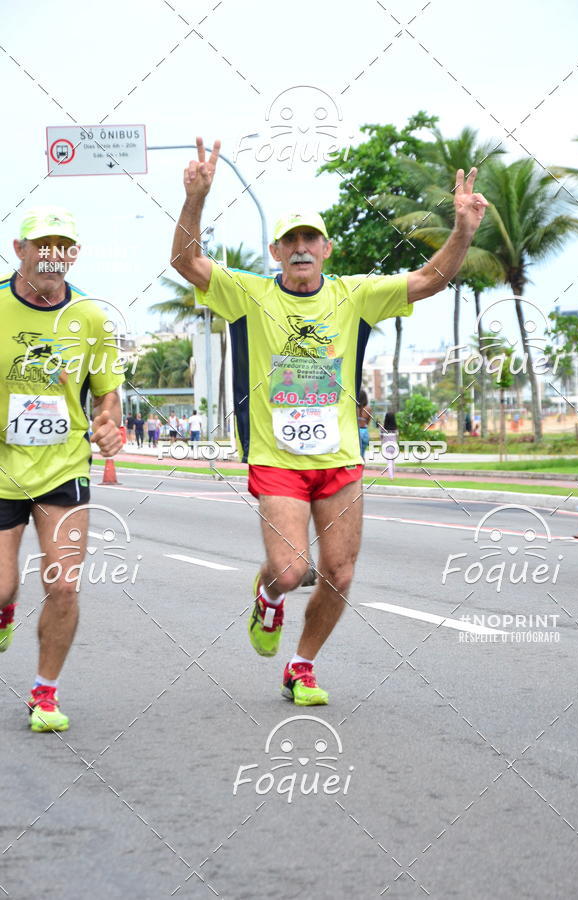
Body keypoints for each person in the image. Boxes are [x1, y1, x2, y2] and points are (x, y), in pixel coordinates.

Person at [172, 137, 488, 706]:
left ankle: (301, 665)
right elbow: (185, 263)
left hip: (340, 458)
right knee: (291, 571)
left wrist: (463, 230)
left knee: (339, 574)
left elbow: (429, 279)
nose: (300, 248)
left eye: (310, 239)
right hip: (277, 459)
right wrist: (196, 198)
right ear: (275, 251)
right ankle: (269, 596)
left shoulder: (354, 295)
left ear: (326, 249)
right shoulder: (247, 294)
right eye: (290, 240)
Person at [0, 206, 123, 732]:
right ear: (19, 250)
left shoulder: (92, 318)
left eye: (63, 247)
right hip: (2, 469)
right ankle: (4, 608)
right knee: (2, 587)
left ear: (73, 255)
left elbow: (108, 396)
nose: (53, 255)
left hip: (64, 467)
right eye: (43, 245)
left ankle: (44, 694)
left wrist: (109, 424)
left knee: (65, 585)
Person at [380, 411, 398, 479]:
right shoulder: (395, 429)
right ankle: (393, 475)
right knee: (393, 462)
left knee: (389, 462)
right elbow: (397, 437)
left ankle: (391, 476)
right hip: (394, 446)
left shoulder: (383, 429)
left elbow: (381, 437)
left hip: (386, 447)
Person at [357, 389, 372, 461]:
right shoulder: (368, 409)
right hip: (365, 431)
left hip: (356, 431)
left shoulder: (355, 408)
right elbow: (368, 422)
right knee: (362, 454)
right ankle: (362, 467)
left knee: (356, 455)